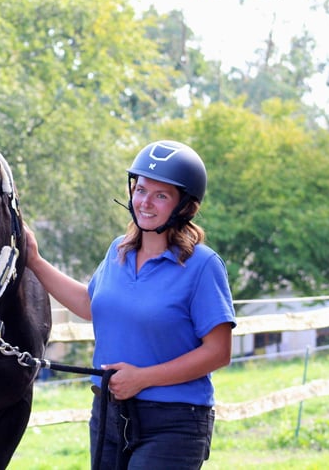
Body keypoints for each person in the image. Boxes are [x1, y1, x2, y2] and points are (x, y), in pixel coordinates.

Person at [25, 140, 235, 469]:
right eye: (140, 190)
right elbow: (89, 305)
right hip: (108, 412)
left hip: (174, 421)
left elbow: (219, 352)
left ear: (186, 207)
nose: (144, 202)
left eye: (160, 195)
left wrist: (143, 378)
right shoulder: (117, 251)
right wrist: (35, 261)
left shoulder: (203, 266)